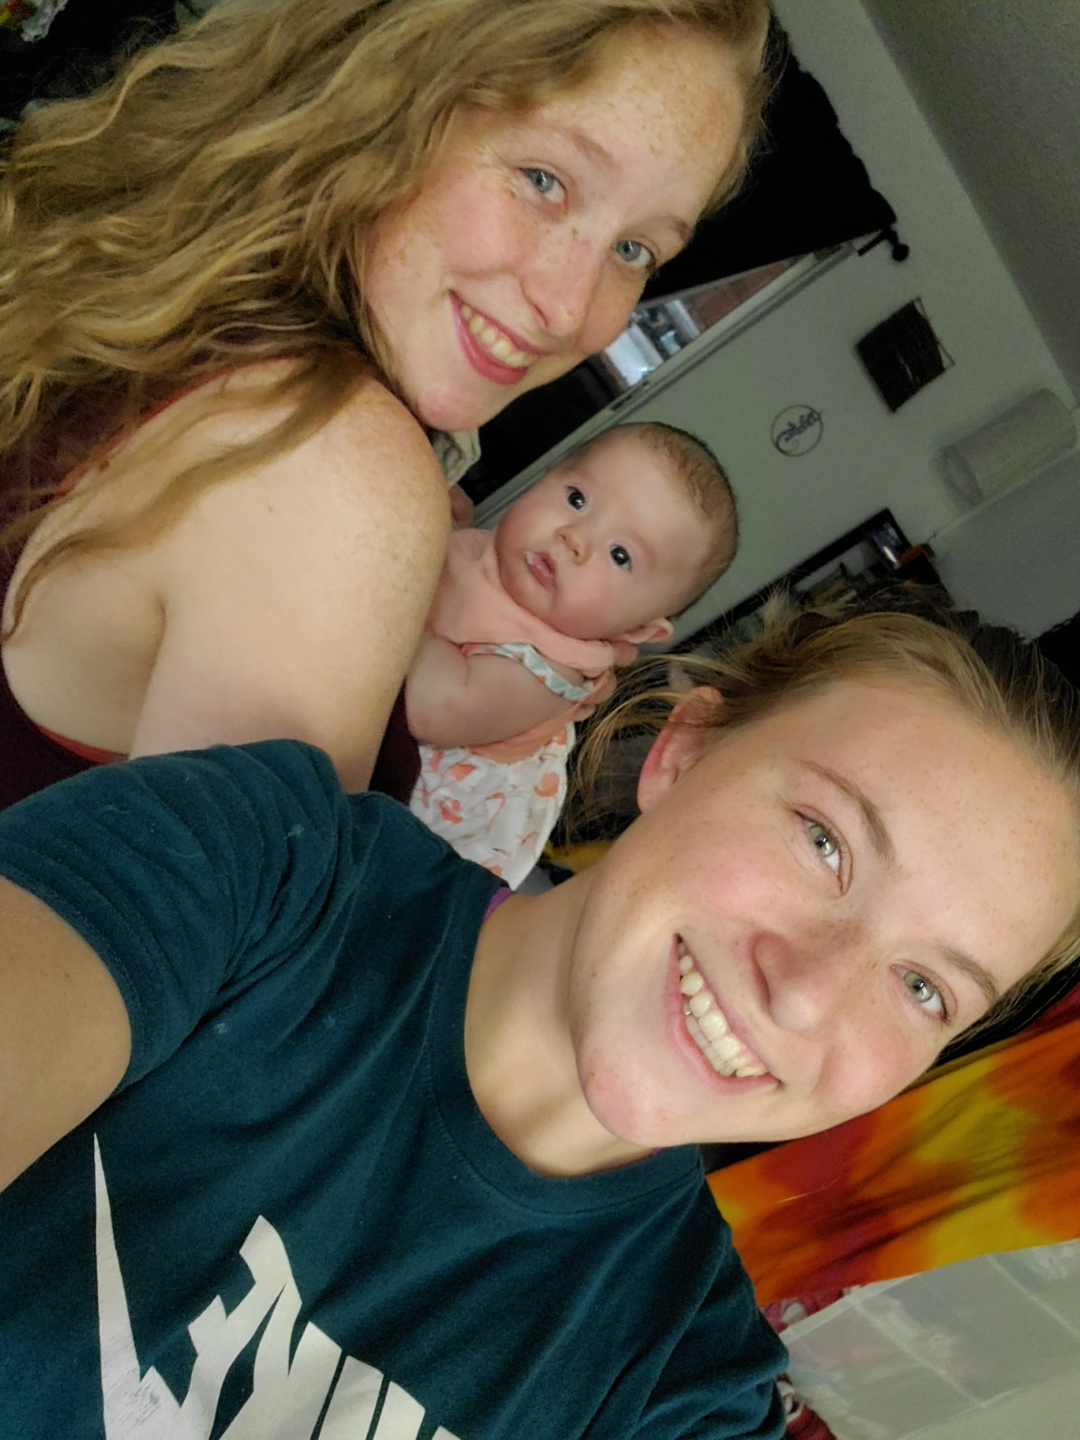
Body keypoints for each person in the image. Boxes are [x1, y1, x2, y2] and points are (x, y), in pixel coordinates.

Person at [1, 601, 1079, 1439]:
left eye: (924, 987)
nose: (804, 992)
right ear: (684, 752)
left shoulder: (684, 1388)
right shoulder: (269, 869)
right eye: (823, 841)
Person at [0, 0, 774, 813]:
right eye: (543, 180)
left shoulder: (170, 291)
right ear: (393, 102)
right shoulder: (342, 472)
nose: (568, 307)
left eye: (633, 249)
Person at [406, 421, 738, 881]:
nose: (574, 537)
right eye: (577, 499)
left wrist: (405, 577)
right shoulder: (499, 558)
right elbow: (463, 586)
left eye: (620, 555)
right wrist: (446, 529)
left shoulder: (551, 670)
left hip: (411, 822)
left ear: (639, 628)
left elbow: (436, 708)